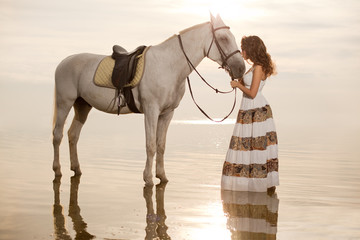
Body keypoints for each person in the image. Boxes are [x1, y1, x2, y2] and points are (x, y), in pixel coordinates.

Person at [221, 35, 279, 194]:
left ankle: (256, 185)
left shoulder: (259, 67)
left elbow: (253, 93)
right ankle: (250, 184)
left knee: (255, 146)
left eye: (244, 48)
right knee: (249, 145)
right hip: (249, 109)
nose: (242, 51)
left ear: (250, 50)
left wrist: (237, 85)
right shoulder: (254, 67)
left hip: (255, 109)